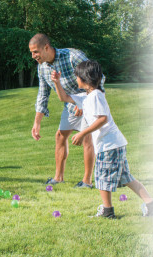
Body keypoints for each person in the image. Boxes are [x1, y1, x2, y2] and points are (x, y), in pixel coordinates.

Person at [54, 59, 153, 218]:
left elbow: (102, 119)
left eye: (77, 76)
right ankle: (152, 206)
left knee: (101, 177)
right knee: (126, 178)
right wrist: (57, 82)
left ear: (85, 78)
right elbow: (63, 98)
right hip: (114, 144)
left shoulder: (96, 96)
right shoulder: (87, 97)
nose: (75, 79)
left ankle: (107, 211)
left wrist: (82, 133)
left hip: (109, 145)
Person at [28, 33, 100, 188]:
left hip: (90, 102)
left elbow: (97, 79)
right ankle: (58, 178)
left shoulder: (73, 56)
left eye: (36, 52)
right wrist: (37, 122)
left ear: (46, 47)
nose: (33, 56)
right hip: (69, 105)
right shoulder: (42, 68)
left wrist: (84, 103)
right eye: (31, 53)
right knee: (60, 136)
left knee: (87, 138)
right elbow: (43, 94)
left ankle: (87, 181)